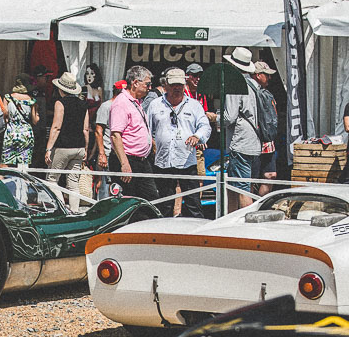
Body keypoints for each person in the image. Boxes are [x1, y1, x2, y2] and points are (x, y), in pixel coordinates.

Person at [148, 68, 211, 218]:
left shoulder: (194, 105)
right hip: (163, 161)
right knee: (165, 204)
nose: (176, 88)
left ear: (184, 85)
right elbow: (147, 128)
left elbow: (205, 126)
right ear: (166, 85)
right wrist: (151, 144)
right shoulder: (155, 104)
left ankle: (195, 230)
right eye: (173, 85)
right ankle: (163, 230)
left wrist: (197, 136)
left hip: (187, 161)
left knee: (193, 203)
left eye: (180, 85)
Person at [109, 65, 157, 202]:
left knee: (150, 199)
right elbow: (116, 135)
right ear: (135, 83)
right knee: (128, 201)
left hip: (141, 160)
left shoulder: (136, 102)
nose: (150, 88)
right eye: (147, 84)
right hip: (128, 159)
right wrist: (124, 164)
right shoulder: (121, 103)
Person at [222, 47, 261, 208]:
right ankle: (231, 218)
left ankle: (245, 220)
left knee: (242, 188)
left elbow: (229, 117)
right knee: (236, 186)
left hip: (240, 142)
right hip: (254, 141)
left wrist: (215, 118)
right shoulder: (254, 84)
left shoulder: (235, 84)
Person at [45, 72, 89, 210]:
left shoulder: (60, 103)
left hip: (63, 146)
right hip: (79, 147)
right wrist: (86, 148)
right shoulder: (83, 104)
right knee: (73, 183)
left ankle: (62, 209)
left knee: (52, 180)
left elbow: (56, 127)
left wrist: (48, 148)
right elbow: (86, 129)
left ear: (60, 89)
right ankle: (74, 211)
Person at [94, 79, 127, 200]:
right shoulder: (106, 106)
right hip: (108, 151)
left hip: (121, 153)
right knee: (106, 185)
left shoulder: (125, 106)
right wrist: (101, 153)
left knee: (118, 186)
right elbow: (98, 131)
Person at [252, 61, 278, 196]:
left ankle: (260, 203)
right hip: (254, 140)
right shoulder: (250, 92)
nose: (269, 78)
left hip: (268, 140)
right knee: (251, 178)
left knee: (270, 175)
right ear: (258, 75)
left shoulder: (266, 93)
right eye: (266, 75)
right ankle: (249, 205)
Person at [2, 75, 38, 167]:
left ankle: (6, 177)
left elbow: (5, 116)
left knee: (6, 163)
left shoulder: (7, 98)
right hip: (26, 134)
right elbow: (35, 121)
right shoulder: (32, 100)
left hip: (11, 132)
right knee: (23, 165)